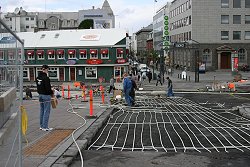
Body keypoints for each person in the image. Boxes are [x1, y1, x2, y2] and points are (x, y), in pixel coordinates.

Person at [36, 65, 54, 131]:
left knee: (42, 110)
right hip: (46, 96)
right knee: (47, 111)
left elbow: (38, 87)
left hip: (40, 95)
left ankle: (41, 126)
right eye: (48, 70)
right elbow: (48, 88)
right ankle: (45, 127)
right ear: (46, 69)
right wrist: (52, 92)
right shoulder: (46, 78)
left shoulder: (38, 77)